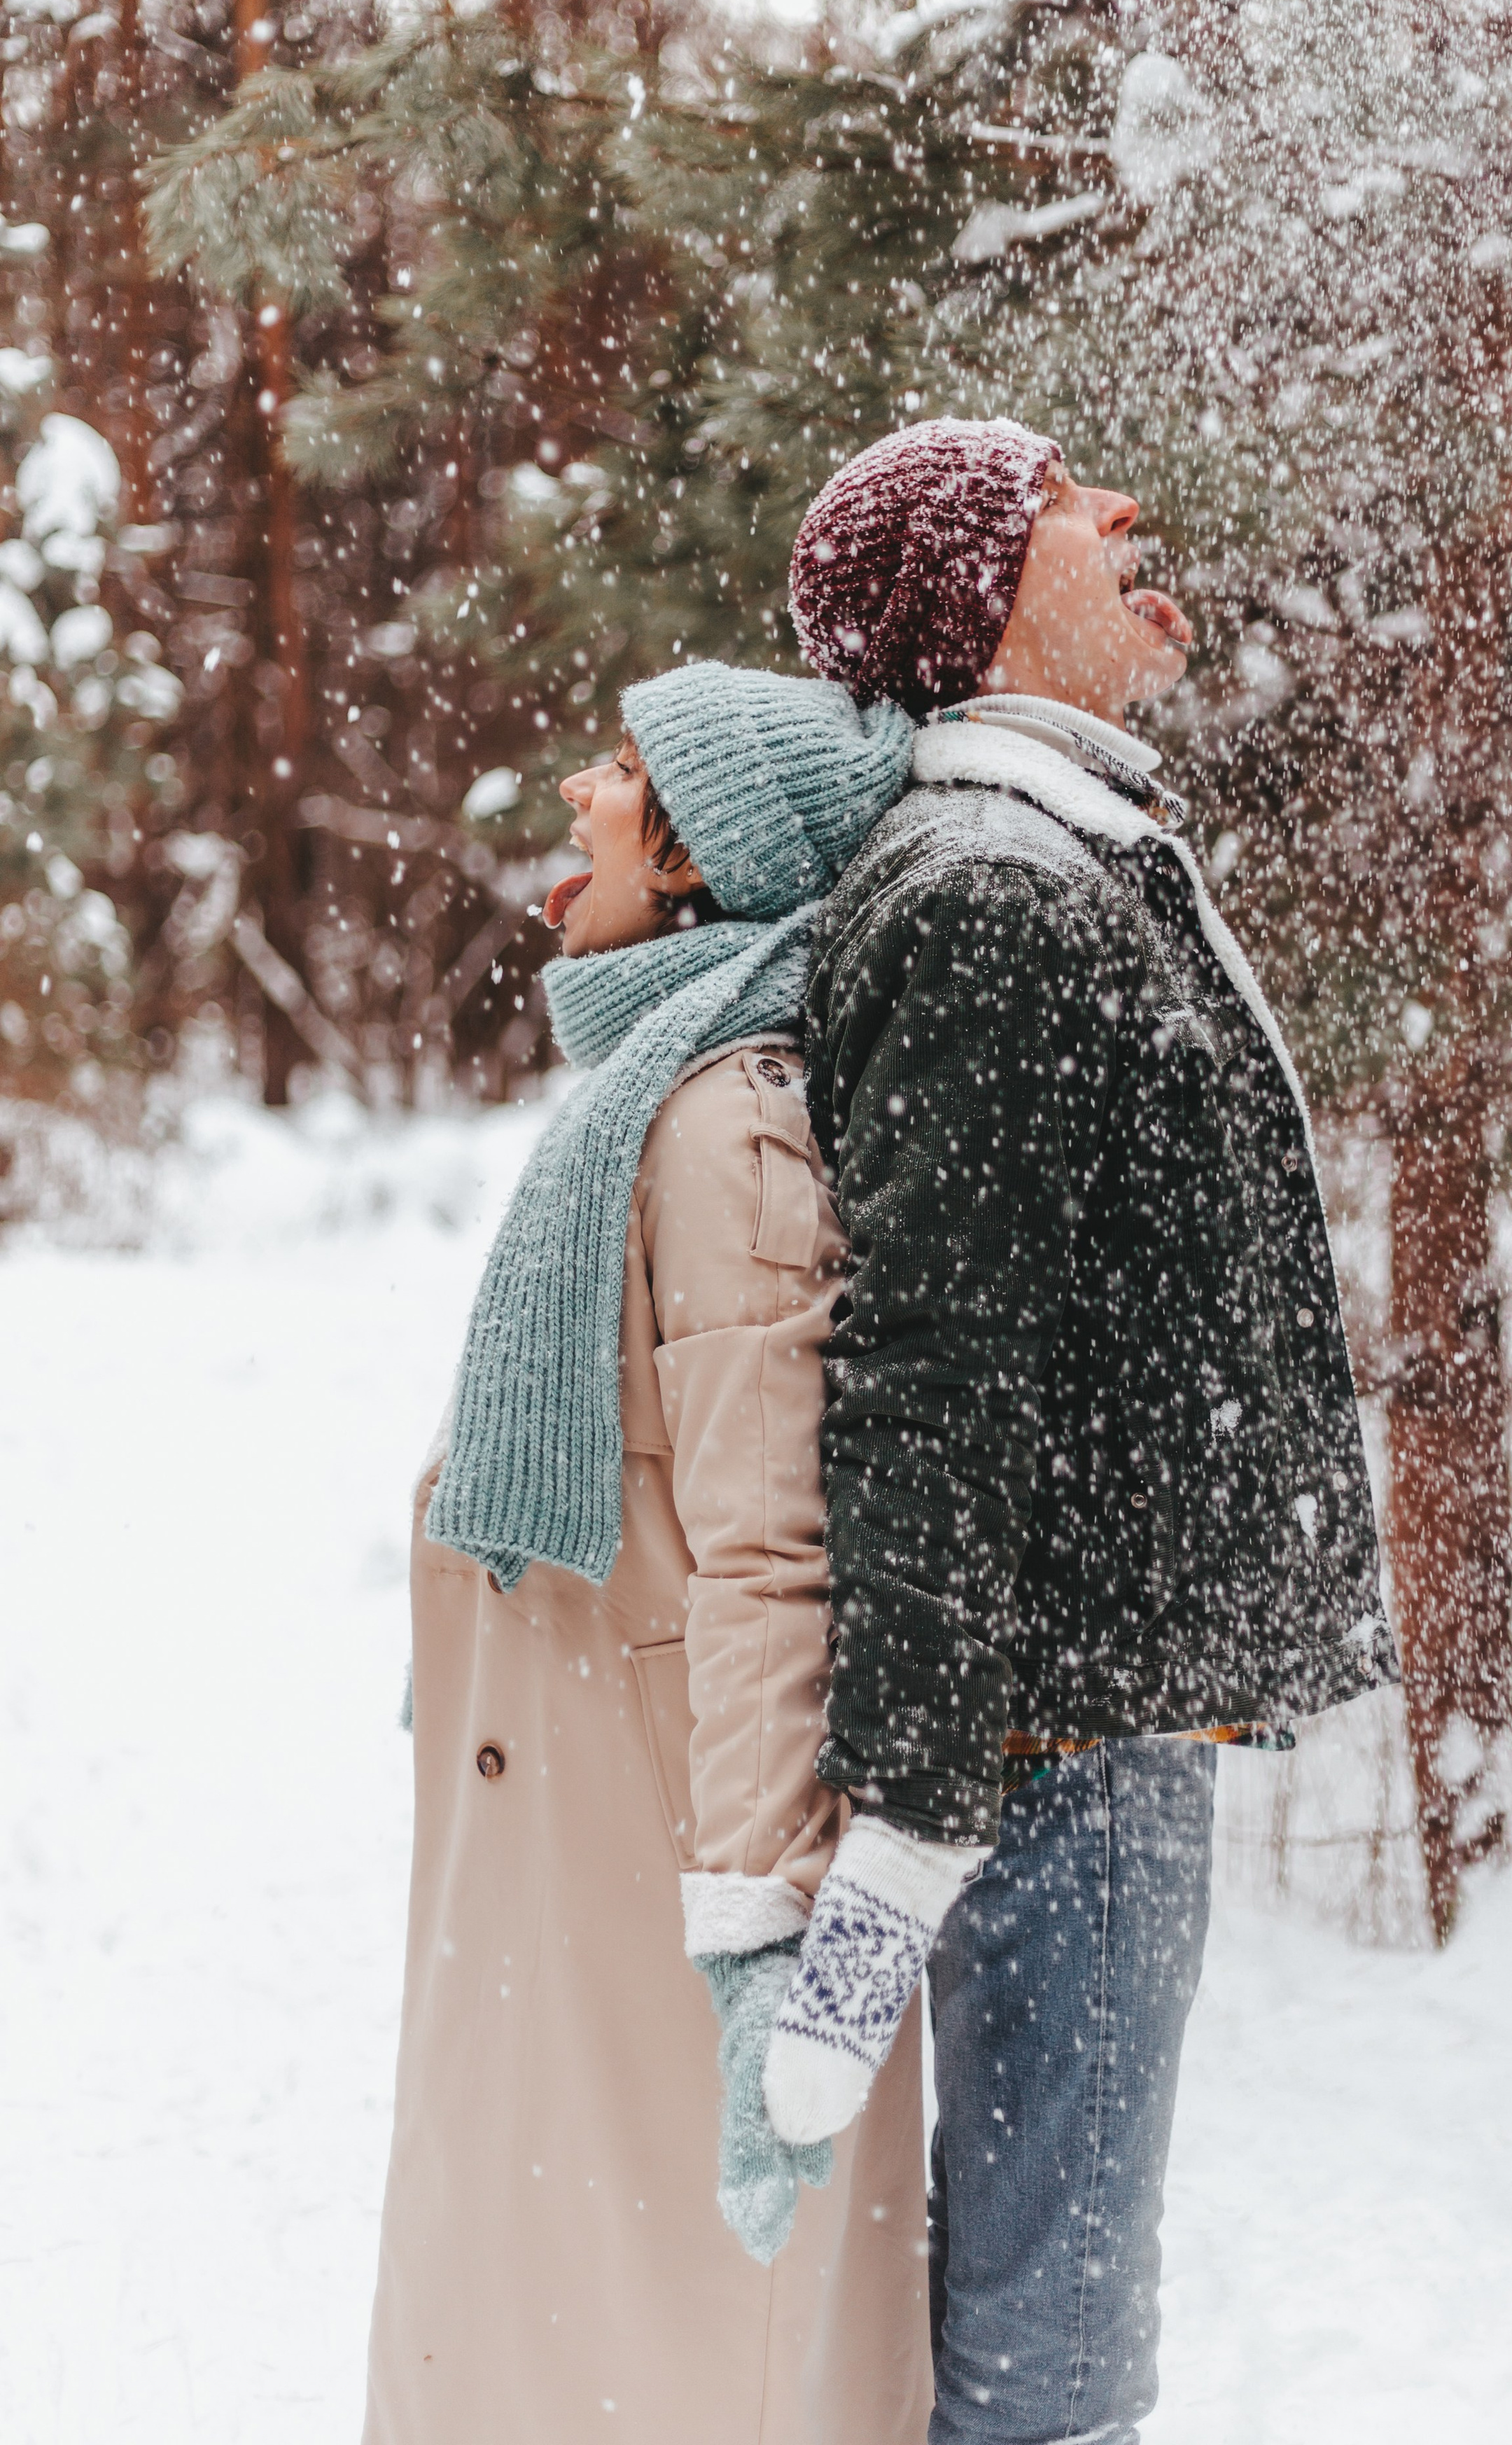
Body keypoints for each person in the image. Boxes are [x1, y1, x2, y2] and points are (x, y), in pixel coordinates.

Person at [757, 420, 1401, 2445]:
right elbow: (937, 1376)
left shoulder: (1058, 860)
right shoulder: (990, 893)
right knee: (1052, 2354)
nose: (1124, 510)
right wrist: (921, 1809)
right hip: (1049, 1745)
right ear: (968, 601)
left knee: (1053, 2306)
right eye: (1058, 500)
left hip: (1078, 1720)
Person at [361, 663, 930, 2445]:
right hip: (578, 1817)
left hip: (662, 1841)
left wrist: (760, 1928)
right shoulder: (653, 1084)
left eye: (619, 774)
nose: (578, 797)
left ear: (696, 862)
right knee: (553, 2313)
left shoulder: (721, 1119)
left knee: (656, 2342)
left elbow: (774, 1549)